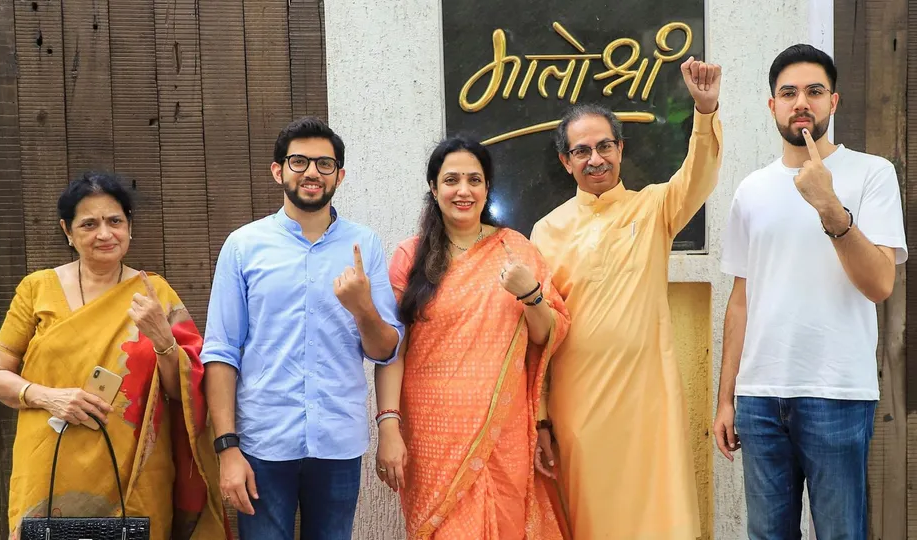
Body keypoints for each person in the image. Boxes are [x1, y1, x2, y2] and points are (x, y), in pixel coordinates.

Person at [714, 44, 907, 540]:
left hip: (836, 392)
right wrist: (727, 398)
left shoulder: (871, 174)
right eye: (789, 92)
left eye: (814, 91)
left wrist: (829, 207)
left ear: (834, 102)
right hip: (758, 398)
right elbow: (741, 300)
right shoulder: (751, 189)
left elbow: (880, 284)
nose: (802, 101)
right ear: (772, 105)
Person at [530, 56, 723, 538]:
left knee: (659, 516)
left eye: (604, 146)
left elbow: (698, 176)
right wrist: (540, 419)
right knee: (593, 518)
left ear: (620, 148)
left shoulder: (654, 206)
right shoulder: (545, 231)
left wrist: (704, 112)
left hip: (647, 400)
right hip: (578, 407)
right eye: (581, 151)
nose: (595, 158)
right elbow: (535, 334)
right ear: (565, 161)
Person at [0, 171, 228, 539]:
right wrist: (48, 396)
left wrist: (163, 340)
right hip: (50, 466)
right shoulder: (36, 290)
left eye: (115, 221)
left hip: (133, 473)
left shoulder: (153, 293)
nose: (104, 234)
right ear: (68, 231)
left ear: (129, 226)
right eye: (89, 224)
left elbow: (184, 393)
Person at [201, 116, 404, 540]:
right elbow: (221, 353)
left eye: (325, 164)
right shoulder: (243, 246)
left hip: (337, 443)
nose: (312, 172)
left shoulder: (363, 246)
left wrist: (363, 308)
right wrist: (227, 448)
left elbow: (386, 349)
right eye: (299, 161)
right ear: (278, 171)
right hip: (262, 443)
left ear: (340, 176)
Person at [374, 137, 571, 539]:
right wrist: (388, 426)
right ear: (433, 187)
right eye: (451, 180)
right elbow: (392, 351)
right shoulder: (410, 257)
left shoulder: (515, 249)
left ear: (486, 188)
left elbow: (545, 336)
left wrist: (530, 293)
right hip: (432, 435)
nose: (463, 190)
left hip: (504, 429)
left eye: (474, 180)